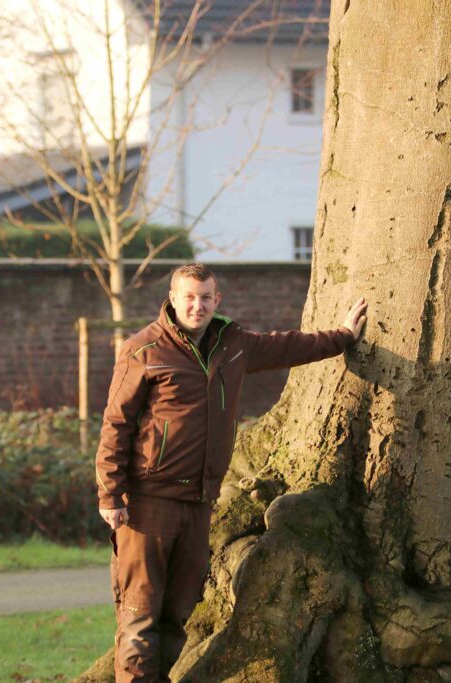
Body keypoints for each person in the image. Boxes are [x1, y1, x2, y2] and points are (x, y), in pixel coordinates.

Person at [96, 262, 368, 682]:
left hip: (201, 502)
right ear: (172, 299)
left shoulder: (233, 344)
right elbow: (116, 424)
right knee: (140, 613)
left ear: (216, 300)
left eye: (206, 297)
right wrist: (110, 496)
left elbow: (287, 347)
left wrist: (343, 337)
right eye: (188, 296)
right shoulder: (143, 350)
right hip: (148, 503)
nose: (197, 305)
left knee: (177, 612)